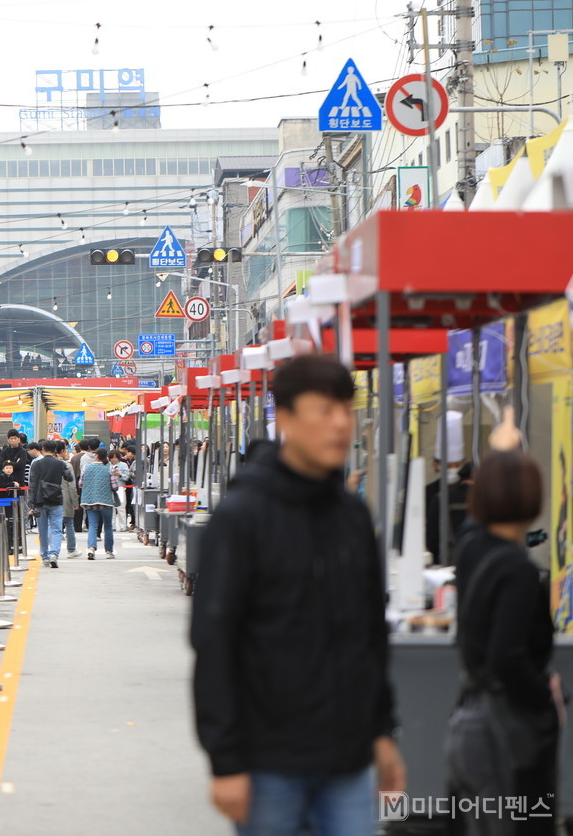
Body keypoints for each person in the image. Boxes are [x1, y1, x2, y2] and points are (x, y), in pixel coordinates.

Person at [191, 355, 403, 834]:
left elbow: (370, 635)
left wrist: (383, 733)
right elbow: (214, 640)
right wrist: (225, 760)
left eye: (346, 411)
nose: (340, 425)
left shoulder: (351, 517)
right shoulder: (243, 517)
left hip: (349, 757)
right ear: (285, 419)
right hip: (269, 760)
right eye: (323, 411)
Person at [449, 447, 562, 833]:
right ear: (530, 499)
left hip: (468, 723)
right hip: (506, 734)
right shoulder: (518, 571)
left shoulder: (470, 548)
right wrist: (547, 700)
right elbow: (507, 656)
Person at [27, 440, 68, 567]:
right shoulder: (60, 463)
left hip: (40, 500)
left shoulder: (36, 464)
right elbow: (69, 477)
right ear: (55, 449)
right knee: (56, 529)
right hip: (56, 499)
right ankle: (54, 554)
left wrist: (31, 504)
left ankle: (44, 555)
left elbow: (32, 485)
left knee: (43, 530)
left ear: (43, 449)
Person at [80, 448, 116, 559]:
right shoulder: (110, 468)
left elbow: (81, 482)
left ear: (96, 456)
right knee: (108, 526)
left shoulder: (86, 467)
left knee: (92, 526)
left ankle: (91, 548)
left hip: (90, 501)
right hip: (106, 501)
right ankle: (109, 551)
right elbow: (114, 486)